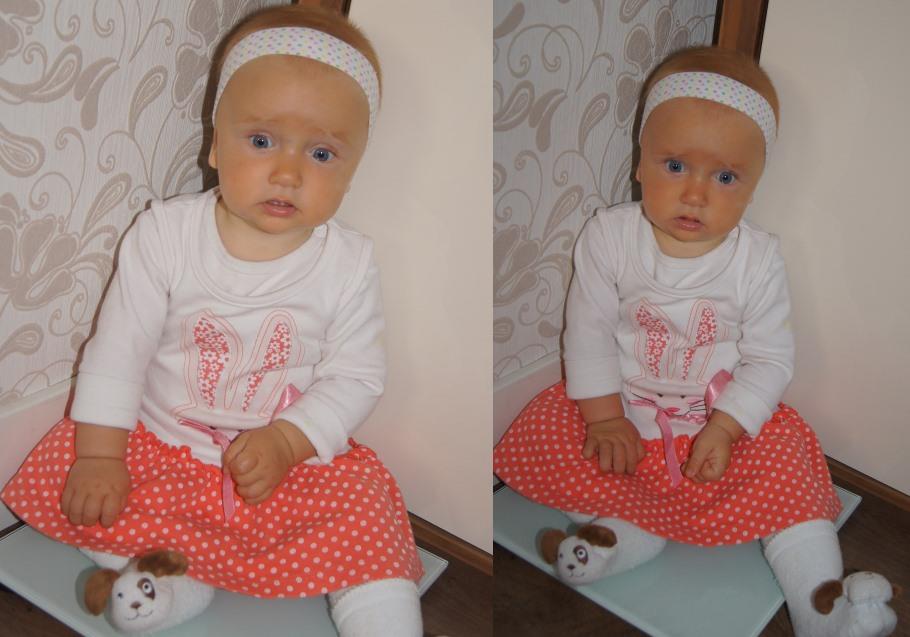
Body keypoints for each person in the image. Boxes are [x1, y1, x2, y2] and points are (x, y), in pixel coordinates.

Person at [2, 6, 424, 636]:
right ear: (215, 144)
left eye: (321, 152)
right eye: (261, 141)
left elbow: (357, 377)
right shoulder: (165, 235)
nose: (288, 172)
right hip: (162, 450)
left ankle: (383, 620)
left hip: (286, 469)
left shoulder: (348, 263)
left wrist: (288, 441)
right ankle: (168, 577)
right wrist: (100, 455)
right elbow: (118, 351)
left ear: (352, 170)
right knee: (81, 478)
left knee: (369, 514)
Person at [493, 46, 898, 637]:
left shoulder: (757, 260)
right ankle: (618, 538)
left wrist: (726, 427)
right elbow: (588, 332)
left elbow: (770, 358)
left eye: (725, 177)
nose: (695, 194)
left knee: (792, 468)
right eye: (676, 165)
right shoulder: (609, 237)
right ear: (640, 163)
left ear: (753, 187)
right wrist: (605, 419)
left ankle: (822, 607)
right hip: (626, 414)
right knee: (554, 432)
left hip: (717, 424)